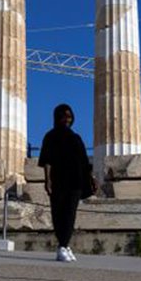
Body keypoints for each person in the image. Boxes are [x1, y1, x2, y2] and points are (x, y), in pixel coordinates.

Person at [38, 103, 96, 262]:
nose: (66, 120)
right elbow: (47, 160)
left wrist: (91, 179)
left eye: (69, 117)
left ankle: (64, 245)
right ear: (57, 118)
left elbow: (84, 161)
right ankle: (62, 246)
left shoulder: (76, 138)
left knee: (70, 214)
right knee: (58, 213)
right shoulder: (50, 136)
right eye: (63, 116)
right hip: (58, 180)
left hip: (76, 181)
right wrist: (47, 180)